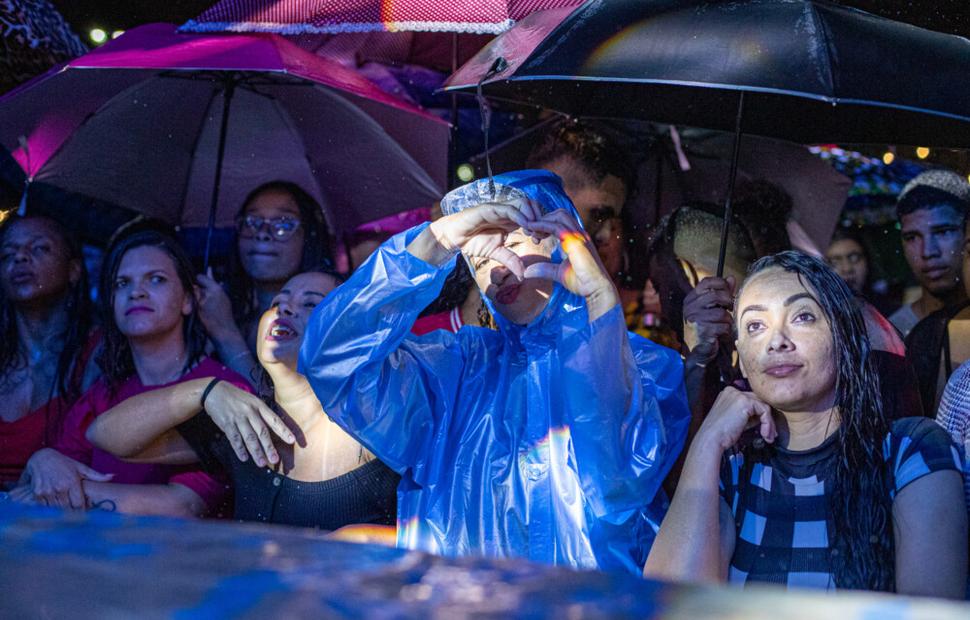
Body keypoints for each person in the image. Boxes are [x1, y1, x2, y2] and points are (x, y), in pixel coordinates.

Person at [299, 170, 690, 574]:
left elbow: (617, 483)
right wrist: (436, 243)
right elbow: (332, 361)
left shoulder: (649, 366)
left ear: (566, 240)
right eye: (481, 260)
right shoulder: (455, 371)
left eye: (517, 241)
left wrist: (597, 307)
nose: (500, 268)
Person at [644, 251, 967, 597]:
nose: (776, 340)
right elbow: (669, 603)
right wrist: (707, 441)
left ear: (845, 337)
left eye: (802, 317)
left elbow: (930, 610)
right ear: (742, 355)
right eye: (755, 326)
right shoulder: (733, 472)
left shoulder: (910, 453)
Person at [86, 271, 400, 530]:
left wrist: (370, 541)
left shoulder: (381, 430)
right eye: (279, 301)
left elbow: (435, 535)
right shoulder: (242, 422)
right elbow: (105, 435)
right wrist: (203, 391)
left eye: (310, 304)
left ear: (350, 333)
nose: (285, 309)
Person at [13, 230, 237, 516]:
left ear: (188, 300)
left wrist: (55, 493)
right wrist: (42, 459)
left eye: (156, 279)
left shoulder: (225, 389)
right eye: (122, 283)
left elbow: (183, 506)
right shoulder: (103, 394)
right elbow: (50, 474)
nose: (136, 292)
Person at [197, 181, 333, 384]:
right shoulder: (220, 307)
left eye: (284, 224)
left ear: (310, 235)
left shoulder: (326, 315)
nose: (262, 234)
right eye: (252, 221)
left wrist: (224, 333)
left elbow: (274, 407)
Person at [0, 215, 100, 486]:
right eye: (8, 253)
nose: (20, 257)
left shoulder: (97, 352)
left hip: (58, 519)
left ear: (74, 270)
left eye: (39, 248)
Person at [888, 169, 969, 337]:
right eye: (912, 237)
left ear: (967, 233)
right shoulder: (892, 334)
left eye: (943, 232)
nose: (928, 252)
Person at [825, 227, 898, 317]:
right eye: (834, 262)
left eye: (854, 258)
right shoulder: (815, 318)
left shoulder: (891, 315)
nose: (847, 268)